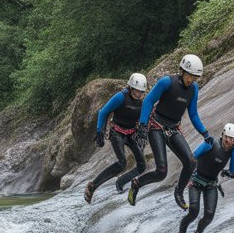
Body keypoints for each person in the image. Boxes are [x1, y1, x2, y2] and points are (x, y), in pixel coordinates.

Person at [127, 54, 212, 210]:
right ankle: (137, 183)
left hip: (173, 128)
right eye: (189, 75)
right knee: (161, 172)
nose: (191, 80)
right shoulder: (167, 82)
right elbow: (148, 101)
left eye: (195, 77)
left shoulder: (193, 89)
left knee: (191, 162)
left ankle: (178, 193)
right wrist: (143, 126)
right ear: (182, 71)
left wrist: (204, 133)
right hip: (156, 126)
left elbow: (193, 114)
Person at [84, 73, 148, 202]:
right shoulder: (120, 97)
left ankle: (120, 182)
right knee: (121, 162)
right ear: (130, 87)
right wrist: (100, 132)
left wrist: (143, 130)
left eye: (141, 91)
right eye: (136, 90)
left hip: (131, 134)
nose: (138, 94)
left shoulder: (142, 103)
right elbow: (103, 112)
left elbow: (144, 119)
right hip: (117, 133)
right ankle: (92, 186)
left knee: (142, 165)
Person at [179, 122, 234, 233]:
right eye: (227, 137)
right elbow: (193, 157)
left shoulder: (233, 151)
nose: (229, 141)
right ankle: (183, 229)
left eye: (233, 139)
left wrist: (228, 173)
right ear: (222, 135)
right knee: (194, 210)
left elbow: (232, 170)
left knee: (209, 215)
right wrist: (187, 175)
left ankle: (198, 232)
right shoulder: (211, 143)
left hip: (211, 184)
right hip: (196, 180)